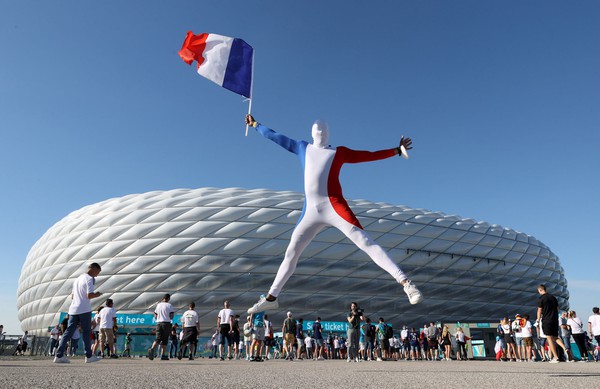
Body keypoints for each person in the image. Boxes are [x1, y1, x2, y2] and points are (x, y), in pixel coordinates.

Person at [245, 114, 423, 314]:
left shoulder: (339, 152)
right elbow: (275, 136)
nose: (320, 133)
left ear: (328, 134)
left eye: (323, 131)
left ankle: (406, 282)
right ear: (312, 133)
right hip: (310, 211)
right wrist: (255, 125)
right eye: (317, 131)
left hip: (334, 206)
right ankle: (271, 298)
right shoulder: (302, 147)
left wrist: (396, 150)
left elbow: (368, 155)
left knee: (365, 242)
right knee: (291, 252)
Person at [53, 263, 103, 364]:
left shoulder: (78, 279)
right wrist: (97, 294)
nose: (97, 275)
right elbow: (89, 295)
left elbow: (72, 296)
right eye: (97, 272)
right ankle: (88, 356)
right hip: (84, 309)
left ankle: (58, 355)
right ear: (93, 269)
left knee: (68, 332)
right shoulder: (89, 278)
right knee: (86, 332)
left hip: (73, 309)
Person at [536, 284, 567, 363]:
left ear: (540, 290)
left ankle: (555, 357)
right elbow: (557, 308)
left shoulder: (541, 298)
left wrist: (538, 320)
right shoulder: (553, 298)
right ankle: (565, 348)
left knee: (549, 338)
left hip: (547, 320)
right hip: (554, 320)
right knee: (555, 337)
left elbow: (539, 310)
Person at [148, 293, 175, 361]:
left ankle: (152, 349)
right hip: (166, 323)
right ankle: (163, 355)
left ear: (163, 298)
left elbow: (155, 314)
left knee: (158, 338)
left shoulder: (158, 305)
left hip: (159, 323)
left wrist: (158, 317)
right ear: (168, 298)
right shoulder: (169, 305)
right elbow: (171, 316)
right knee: (165, 339)